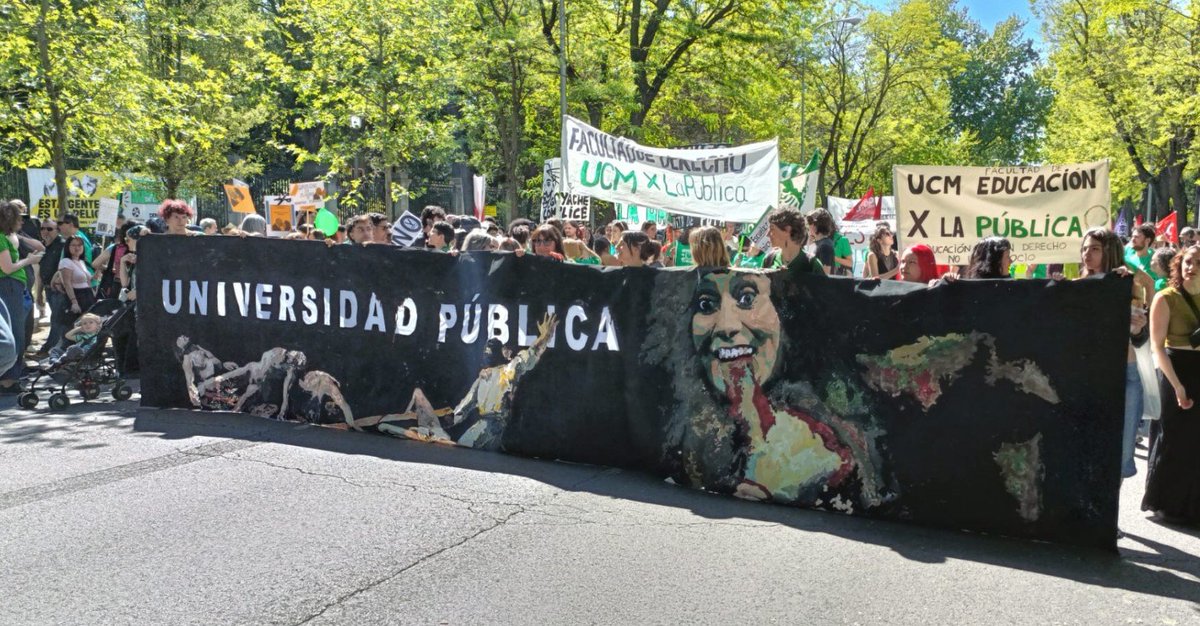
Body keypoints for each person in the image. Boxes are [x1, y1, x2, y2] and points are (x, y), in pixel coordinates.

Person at [1077, 228, 1149, 480]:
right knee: (1084, 449)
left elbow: (1139, 334)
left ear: (1110, 251)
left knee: (1119, 455)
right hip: (1087, 375)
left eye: (1095, 248)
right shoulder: (1076, 289)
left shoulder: (1126, 284)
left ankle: (1109, 518)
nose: (1087, 254)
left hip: (1123, 375)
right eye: (1085, 248)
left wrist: (1138, 325)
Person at [1144, 243, 1200, 524]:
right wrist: (1177, 386)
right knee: (1174, 438)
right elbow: (1157, 347)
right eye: (1188, 261)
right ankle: (1166, 501)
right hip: (1174, 371)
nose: (1192, 267)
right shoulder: (1166, 297)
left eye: (1198, 263)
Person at [0, 200, 43, 391]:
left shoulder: (7, 237)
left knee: (16, 331)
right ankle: (8, 380)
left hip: (12, 287)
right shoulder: (1, 238)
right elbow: (8, 268)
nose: (21, 221)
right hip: (9, 287)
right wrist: (29, 260)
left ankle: (10, 377)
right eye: (18, 218)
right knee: (15, 331)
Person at [767, 207, 822, 276]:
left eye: (772, 229)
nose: (768, 234)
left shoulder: (812, 265)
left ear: (787, 230)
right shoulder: (769, 259)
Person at [58, 235, 96, 322]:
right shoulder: (66, 262)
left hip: (88, 297)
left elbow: (87, 280)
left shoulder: (81, 261)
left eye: (79, 245)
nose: (77, 248)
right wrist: (74, 302)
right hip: (77, 296)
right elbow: (67, 283)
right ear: (68, 247)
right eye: (74, 245)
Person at [809, 209, 852, 276]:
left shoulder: (841, 240)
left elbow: (850, 263)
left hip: (837, 274)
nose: (808, 226)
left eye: (810, 223)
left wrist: (833, 258)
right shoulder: (816, 241)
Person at [1126, 224, 1159, 298]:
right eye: (1132, 236)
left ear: (1147, 240)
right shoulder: (1127, 259)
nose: (1132, 240)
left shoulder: (1156, 260)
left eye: (1136, 237)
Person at [805, 210, 838, 275]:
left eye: (810, 222)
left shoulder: (825, 245)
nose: (808, 226)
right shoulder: (818, 243)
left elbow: (825, 274)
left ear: (816, 225)